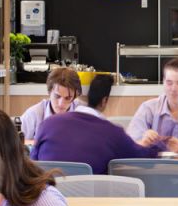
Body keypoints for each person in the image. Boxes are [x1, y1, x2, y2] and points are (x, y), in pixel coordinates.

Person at [32, 73, 163, 175]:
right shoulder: (112, 133)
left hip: (50, 202)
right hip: (91, 204)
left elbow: (33, 164)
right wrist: (158, 142)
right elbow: (145, 160)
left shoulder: (47, 125)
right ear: (105, 100)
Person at [18, 67, 83, 142]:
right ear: (49, 92)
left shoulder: (83, 112)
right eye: (57, 96)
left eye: (68, 98)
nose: (61, 104)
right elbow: (15, 142)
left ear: (74, 97)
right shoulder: (34, 114)